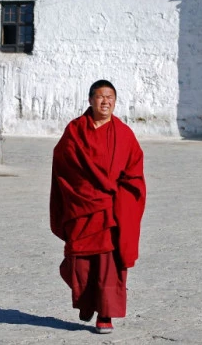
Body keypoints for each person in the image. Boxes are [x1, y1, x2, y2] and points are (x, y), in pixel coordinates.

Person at [49, 79, 146, 334]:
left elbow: (134, 171)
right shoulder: (74, 131)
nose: (106, 101)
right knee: (79, 264)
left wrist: (120, 196)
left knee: (108, 265)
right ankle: (86, 300)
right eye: (101, 97)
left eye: (110, 97)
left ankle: (106, 314)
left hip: (112, 211)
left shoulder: (124, 134)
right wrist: (81, 191)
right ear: (90, 100)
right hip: (82, 206)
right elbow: (62, 165)